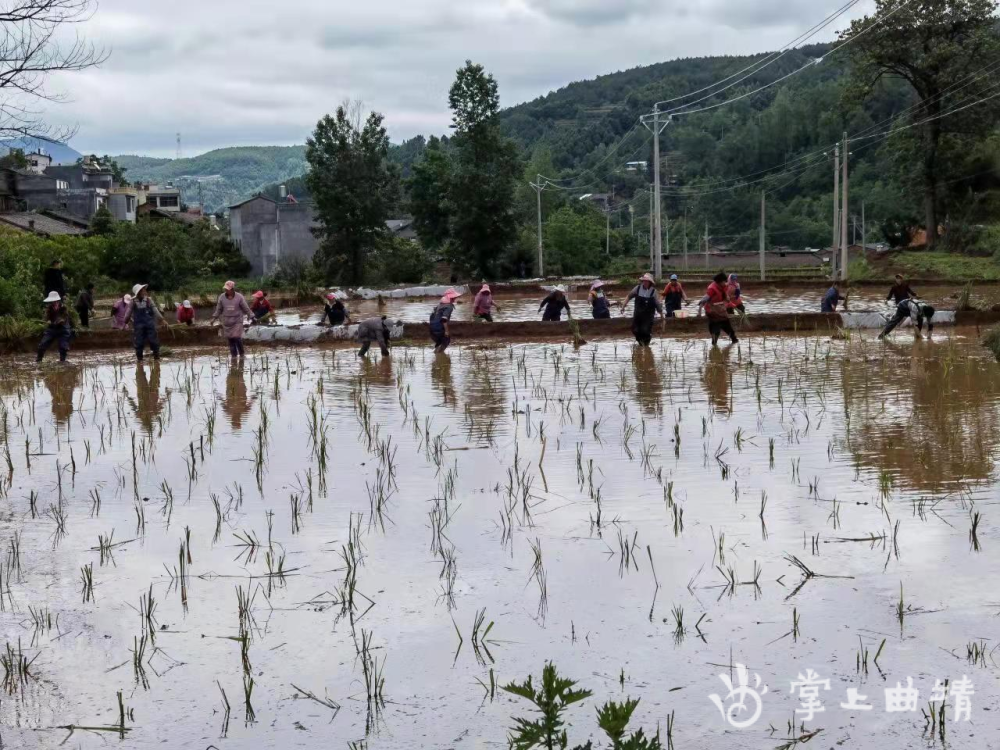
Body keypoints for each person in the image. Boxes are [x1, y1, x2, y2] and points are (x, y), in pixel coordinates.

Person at [123, 283, 165, 361]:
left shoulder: (149, 300)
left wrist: (162, 319)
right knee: (139, 342)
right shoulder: (133, 302)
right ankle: (140, 360)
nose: (144, 292)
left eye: (144, 290)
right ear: (138, 293)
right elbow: (128, 313)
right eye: (142, 291)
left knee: (153, 341)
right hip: (139, 325)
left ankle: (156, 357)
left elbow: (155, 310)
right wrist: (125, 321)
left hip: (149, 324)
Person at [211, 280, 252, 358]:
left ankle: (242, 354)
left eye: (227, 289)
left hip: (237, 320)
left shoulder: (239, 297)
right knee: (230, 339)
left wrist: (251, 315)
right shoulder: (222, 297)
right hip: (227, 321)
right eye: (225, 289)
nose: (226, 290)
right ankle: (234, 356)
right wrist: (214, 318)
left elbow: (245, 307)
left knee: (236, 337)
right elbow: (219, 309)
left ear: (232, 289)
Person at [622, 273, 665, 346]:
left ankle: (646, 346)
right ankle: (641, 344)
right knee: (634, 330)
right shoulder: (637, 288)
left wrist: (662, 316)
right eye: (644, 281)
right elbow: (629, 296)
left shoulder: (653, 292)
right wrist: (623, 306)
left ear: (650, 282)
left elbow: (658, 305)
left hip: (648, 316)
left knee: (645, 331)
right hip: (638, 315)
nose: (645, 282)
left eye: (647, 281)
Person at [698, 272, 739, 346]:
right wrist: (699, 311)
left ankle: (734, 340)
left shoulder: (723, 287)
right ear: (719, 281)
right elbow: (705, 299)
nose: (725, 283)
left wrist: (732, 304)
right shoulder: (712, 288)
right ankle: (714, 344)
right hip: (712, 311)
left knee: (727, 326)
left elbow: (725, 297)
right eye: (724, 281)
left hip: (720, 310)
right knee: (715, 329)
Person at [37, 291, 72, 363]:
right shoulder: (49, 308)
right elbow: (47, 317)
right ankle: (38, 360)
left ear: (57, 300)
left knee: (63, 346)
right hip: (52, 328)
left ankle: (62, 361)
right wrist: (48, 320)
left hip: (63, 329)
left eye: (54, 300)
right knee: (42, 344)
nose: (53, 302)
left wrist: (60, 321)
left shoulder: (63, 307)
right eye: (52, 301)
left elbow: (64, 317)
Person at [430, 288, 461, 353]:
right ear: (451, 298)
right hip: (439, 327)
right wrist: (446, 331)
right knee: (446, 340)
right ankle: (438, 355)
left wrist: (433, 326)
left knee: (439, 342)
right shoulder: (449, 306)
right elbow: (444, 319)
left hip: (432, 327)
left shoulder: (440, 305)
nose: (455, 299)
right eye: (454, 297)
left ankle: (436, 358)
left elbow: (432, 316)